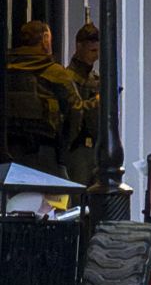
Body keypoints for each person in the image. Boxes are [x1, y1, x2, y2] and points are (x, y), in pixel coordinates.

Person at [4, 21, 84, 177]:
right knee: (57, 196)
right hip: (46, 153)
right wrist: (64, 145)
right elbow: (75, 111)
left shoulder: (7, 69)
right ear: (45, 39)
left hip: (9, 152)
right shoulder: (55, 72)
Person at [66, 22, 102, 185]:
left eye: (98, 51)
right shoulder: (68, 78)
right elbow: (74, 113)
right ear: (79, 47)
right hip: (76, 148)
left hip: (94, 147)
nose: (96, 56)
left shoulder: (95, 79)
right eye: (92, 51)